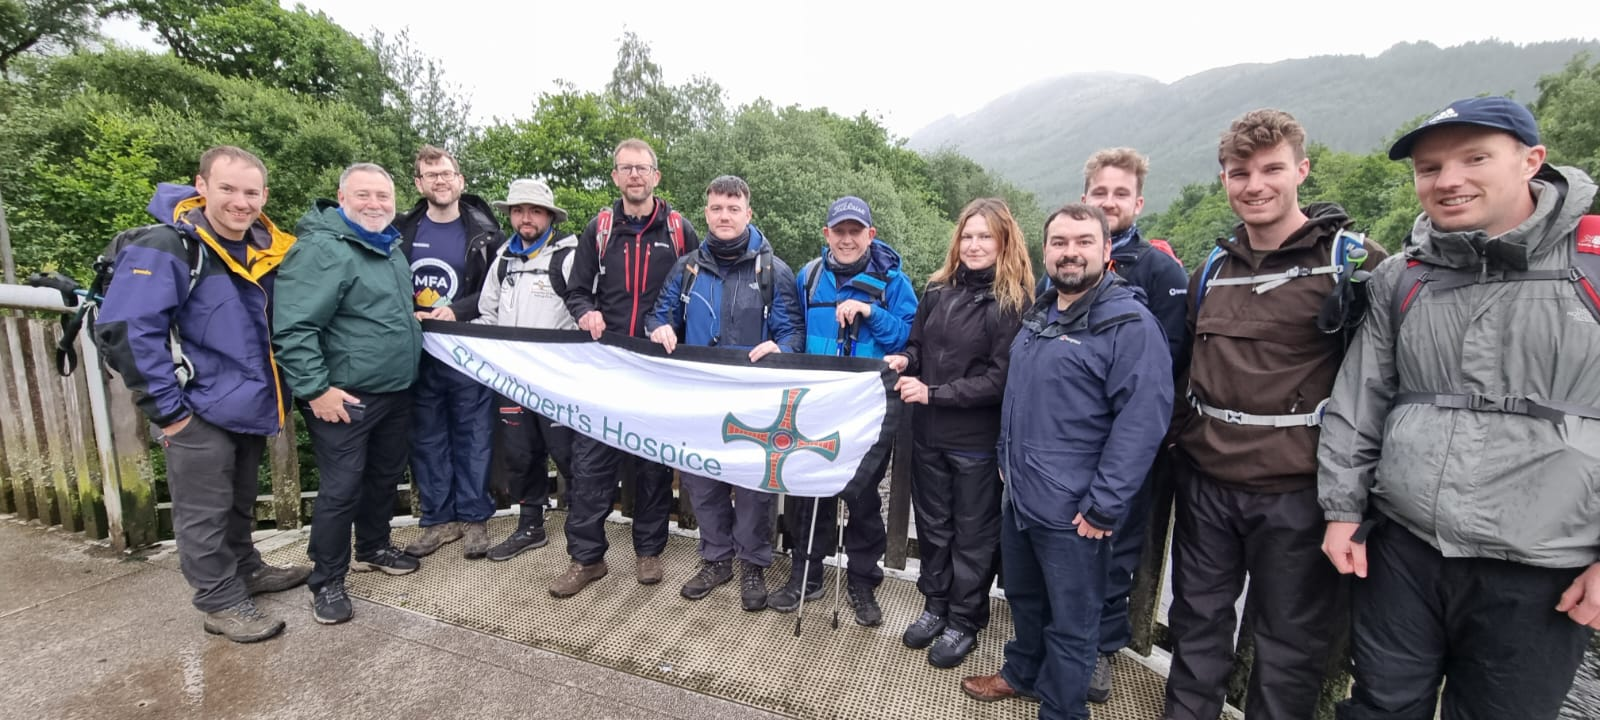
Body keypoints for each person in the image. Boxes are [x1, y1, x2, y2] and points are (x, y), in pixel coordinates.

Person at [1319, 96, 1600, 720]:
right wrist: (1343, 510)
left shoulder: (1593, 265)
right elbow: (1361, 398)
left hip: (1543, 566)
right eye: (1429, 168)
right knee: (1380, 707)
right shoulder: (1406, 276)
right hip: (1405, 549)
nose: (1449, 180)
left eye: (1475, 158)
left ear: (1532, 160)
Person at [1163, 109, 1386, 720]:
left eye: (1271, 169)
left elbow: (1381, 381)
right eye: (1240, 172)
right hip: (1208, 484)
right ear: (1224, 179)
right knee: (1196, 626)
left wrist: (1356, 498)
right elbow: (1188, 369)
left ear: (1302, 170)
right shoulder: (1212, 269)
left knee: (1289, 646)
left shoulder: (1354, 262)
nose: (1254, 184)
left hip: (1299, 493)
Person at [960, 203, 1172, 719]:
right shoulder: (1041, 311)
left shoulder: (1129, 325)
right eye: (1059, 242)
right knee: (1026, 602)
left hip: (1077, 511)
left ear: (1106, 250)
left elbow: (1143, 419)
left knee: (1075, 624)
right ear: (1045, 250)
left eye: (1082, 242)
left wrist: (1104, 504)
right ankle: (1020, 673)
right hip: (1024, 496)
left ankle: (1060, 709)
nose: (1069, 252)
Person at [95, 146, 307, 643]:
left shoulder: (265, 248)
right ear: (202, 186)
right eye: (228, 189)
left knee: (236, 500)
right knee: (202, 511)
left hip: (248, 401)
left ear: (264, 196)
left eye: (251, 192)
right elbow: (128, 328)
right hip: (195, 407)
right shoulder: (170, 246)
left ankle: (246, 569)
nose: (241, 202)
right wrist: (170, 413)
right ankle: (220, 600)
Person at [883, 197, 1032, 668]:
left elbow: (1000, 378)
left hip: (976, 442)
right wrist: (907, 360)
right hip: (928, 435)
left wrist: (934, 393)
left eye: (985, 236)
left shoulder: (1014, 302)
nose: (974, 245)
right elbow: (917, 343)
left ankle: (965, 619)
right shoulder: (937, 291)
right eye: (967, 236)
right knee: (933, 528)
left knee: (973, 535)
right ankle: (936, 605)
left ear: (1004, 241)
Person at [273, 163, 423, 625]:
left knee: (382, 478)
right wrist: (316, 389)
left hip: (395, 390)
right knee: (340, 489)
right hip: (344, 396)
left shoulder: (389, 247)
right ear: (342, 198)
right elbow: (294, 327)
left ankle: (373, 546)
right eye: (364, 195)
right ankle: (328, 579)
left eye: (382, 196)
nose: (374, 204)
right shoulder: (323, 249)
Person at [646, 175, 801, 612]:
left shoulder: (774, 271)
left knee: (754, 484)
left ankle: (752, 563)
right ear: (707, 213)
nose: (724, 216)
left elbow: (793, 332)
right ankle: (716, 558)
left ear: (748, 213)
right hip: (698, 397)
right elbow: (660, 317)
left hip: (755, 400)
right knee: (701, 477)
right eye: (717, 209)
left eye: (733, 209)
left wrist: (783, 346)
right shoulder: (687, 267)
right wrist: (657, 327)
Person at [554, 138, 700, 597]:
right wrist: (585, 314)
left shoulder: (679, 231)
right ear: (615, 177)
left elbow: (693, 297)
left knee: (653, 464)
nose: (635, 175)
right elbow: (576, 289)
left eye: (643, 168)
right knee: (591, 463)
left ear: (657, 176)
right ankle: (586, 559)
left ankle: (648, 551)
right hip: (605, 365)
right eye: (626, 168)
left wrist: (673, 329)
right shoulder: (598, 228)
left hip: (657, 367)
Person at [768, 195, 917, 625]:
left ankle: (862, 582)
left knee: (864, 497)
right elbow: (793, 329)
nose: (847, 239)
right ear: (826, 234)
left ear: (870, 234)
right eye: (840, 231)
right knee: (807, 493)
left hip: (869, 407)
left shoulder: (894, 283)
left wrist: (870, 312)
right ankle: (806, 574)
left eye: (856, 231)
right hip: (815, 404)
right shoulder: (808, 277)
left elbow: (907, 341)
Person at [1074, 147, 1189, 702]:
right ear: (1085, 198)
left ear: (1138, 201)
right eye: (1101, 192)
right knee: (1061, 544)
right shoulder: (1063, 262)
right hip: (1066, 443)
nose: (1110, 202)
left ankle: (1100, 651)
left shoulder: (1162, 271)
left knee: (1115, 553)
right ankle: (1059, 640)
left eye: (1121, 194)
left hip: (1124, 445)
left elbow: (1165, 369)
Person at [396, 145, 506, 560]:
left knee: (474, 435)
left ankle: (475, 518)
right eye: (431, 175)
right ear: (419, 183)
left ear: (460, 180)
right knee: (426, 438)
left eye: (446, 173)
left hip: (466, 348)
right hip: (417, 350)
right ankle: (438, 521)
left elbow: (496, 291)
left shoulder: (487, 233)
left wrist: (457, 309)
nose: (440, 181)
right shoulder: (400, 231)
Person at [473, 178, 580, 562]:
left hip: (558, 380)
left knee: (568, 454)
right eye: (518, 211)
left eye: (534, 211)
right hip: (512, 380)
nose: (525, 218)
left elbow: (584, 314)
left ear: (549, 216)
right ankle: (530, 525)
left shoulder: (568, 257)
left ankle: (584, 531)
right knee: (520, 455)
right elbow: (488, 315)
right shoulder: (502, 261)